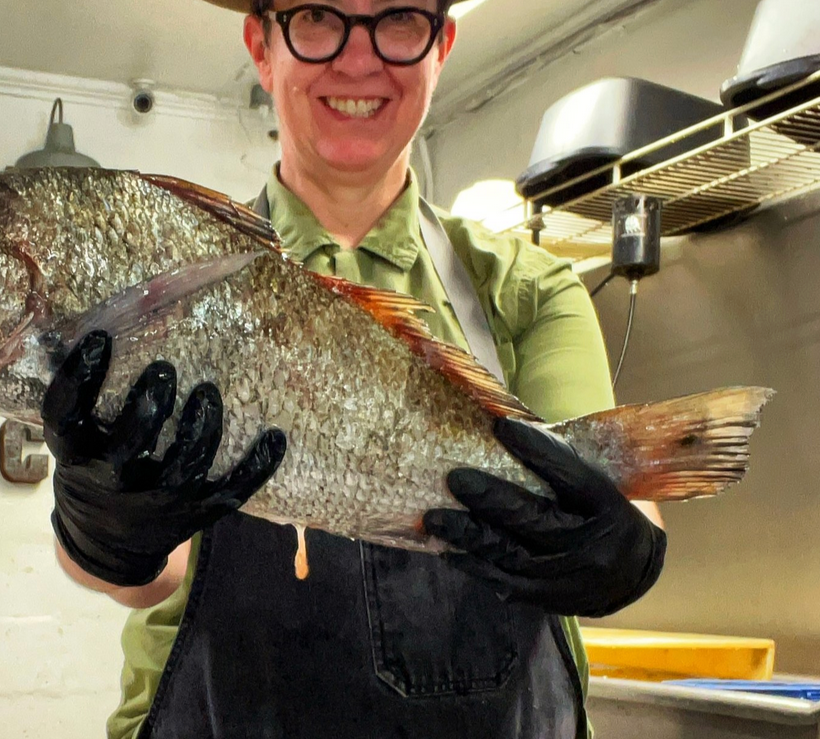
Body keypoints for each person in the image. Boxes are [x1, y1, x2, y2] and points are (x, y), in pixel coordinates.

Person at [42, 1, 668, 736]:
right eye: (317, 15)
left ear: (442, 46)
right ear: (261, 44)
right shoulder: (171, 282)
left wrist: (616, 550)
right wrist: (105, 527)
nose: (359, 58)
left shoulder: (528, 291)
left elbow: (628, 494)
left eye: (399, 18)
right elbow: (161, 575)